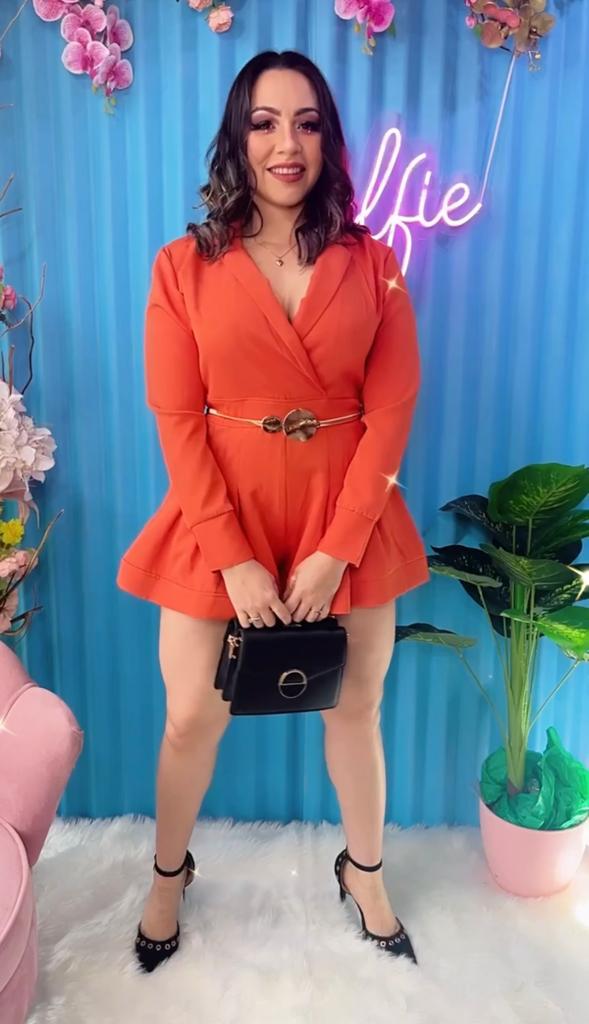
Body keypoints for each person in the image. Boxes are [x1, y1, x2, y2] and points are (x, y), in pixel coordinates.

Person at [116, 48, 430, 974]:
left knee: (356, 709)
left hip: (349, 519)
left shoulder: (375, 264)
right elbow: (178, 420)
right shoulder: (182, 266)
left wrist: (338, 549)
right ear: (237, 138)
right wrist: (233, 558)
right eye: (263, 122)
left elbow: (391, 412)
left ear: (328, 140)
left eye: (305, 123)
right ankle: (168, 873)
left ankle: (363, 870)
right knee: (189, 717)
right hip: (221, 520)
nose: (285, 143)